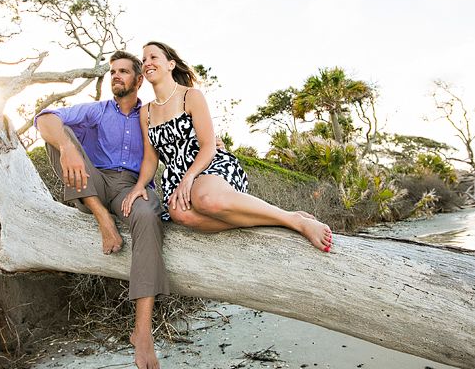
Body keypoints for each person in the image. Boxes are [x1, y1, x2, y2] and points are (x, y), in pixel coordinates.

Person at [122, 41, 333, 253]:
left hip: (208, 165)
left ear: (171, 64)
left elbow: (208, 146)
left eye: (153, 57)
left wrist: (189, 178)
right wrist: (140, 186)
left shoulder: (190, 96)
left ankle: (293, 219)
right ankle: (277, 221)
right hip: (176, 177)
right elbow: (151, 158)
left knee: (206, 199)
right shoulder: (146, 111)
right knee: (180, 214)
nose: (147, 62)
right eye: (144, 60)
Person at [35, 51, 166, 369]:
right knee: (59, 136)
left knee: (149, 213)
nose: (116, 76)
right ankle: (102, 219)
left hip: (130, 188)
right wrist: (67, 148)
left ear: (138, 80)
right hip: (92, 183)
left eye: (123, 71)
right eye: (112, 72)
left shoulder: (150, 114)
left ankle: (143, 330)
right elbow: (45, 117)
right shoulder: (96, 111)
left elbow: (182, 132)